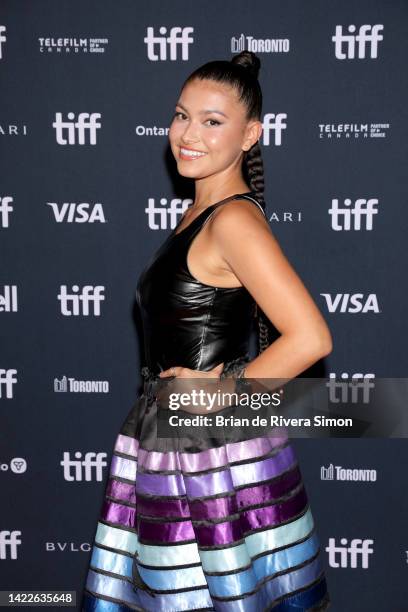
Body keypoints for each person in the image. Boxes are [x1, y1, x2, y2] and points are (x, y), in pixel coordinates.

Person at [82, 50, 332, 611]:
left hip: (201, 449)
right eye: (181, 115)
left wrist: (224, 392)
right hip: (177, 438)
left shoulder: (234, 220)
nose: (187, 134)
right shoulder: (202, 212)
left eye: (212, 121)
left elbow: (311, 337)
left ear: (251, 135)